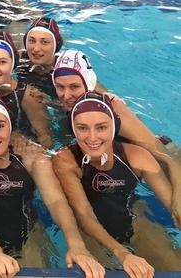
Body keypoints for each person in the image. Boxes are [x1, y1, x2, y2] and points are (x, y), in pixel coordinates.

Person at [0, 93, 105, 278]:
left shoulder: (31, 155)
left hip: (28, 236)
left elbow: (56, 201)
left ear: (11, 128)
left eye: (0, 126)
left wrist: (76, 245)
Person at [52, 92, 181, 276]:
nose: (92, 137)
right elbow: (84, 214)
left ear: (114, 126)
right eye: (82, 128)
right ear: (73, 129)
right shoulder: (66, 161)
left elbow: (173, 205)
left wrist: (177, 202)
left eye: (101, 127)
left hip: (134, 223)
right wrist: (122, 253)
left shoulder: (137, 157)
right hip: (90, 233)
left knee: (174, 264)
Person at [52, 49, 181, 226]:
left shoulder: (112, 107)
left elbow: (169, 159)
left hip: (160, 151)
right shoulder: (65, 105)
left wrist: (178, 193)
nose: (66, 95)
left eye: (74, 87)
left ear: (88, 83)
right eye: (60, 87)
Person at [14, 17, 64, 100]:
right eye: (32, 41)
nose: (36, 49)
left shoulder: (66, 68)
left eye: (44, 42)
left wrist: (48, 102)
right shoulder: (18, 59)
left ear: (56, 46)